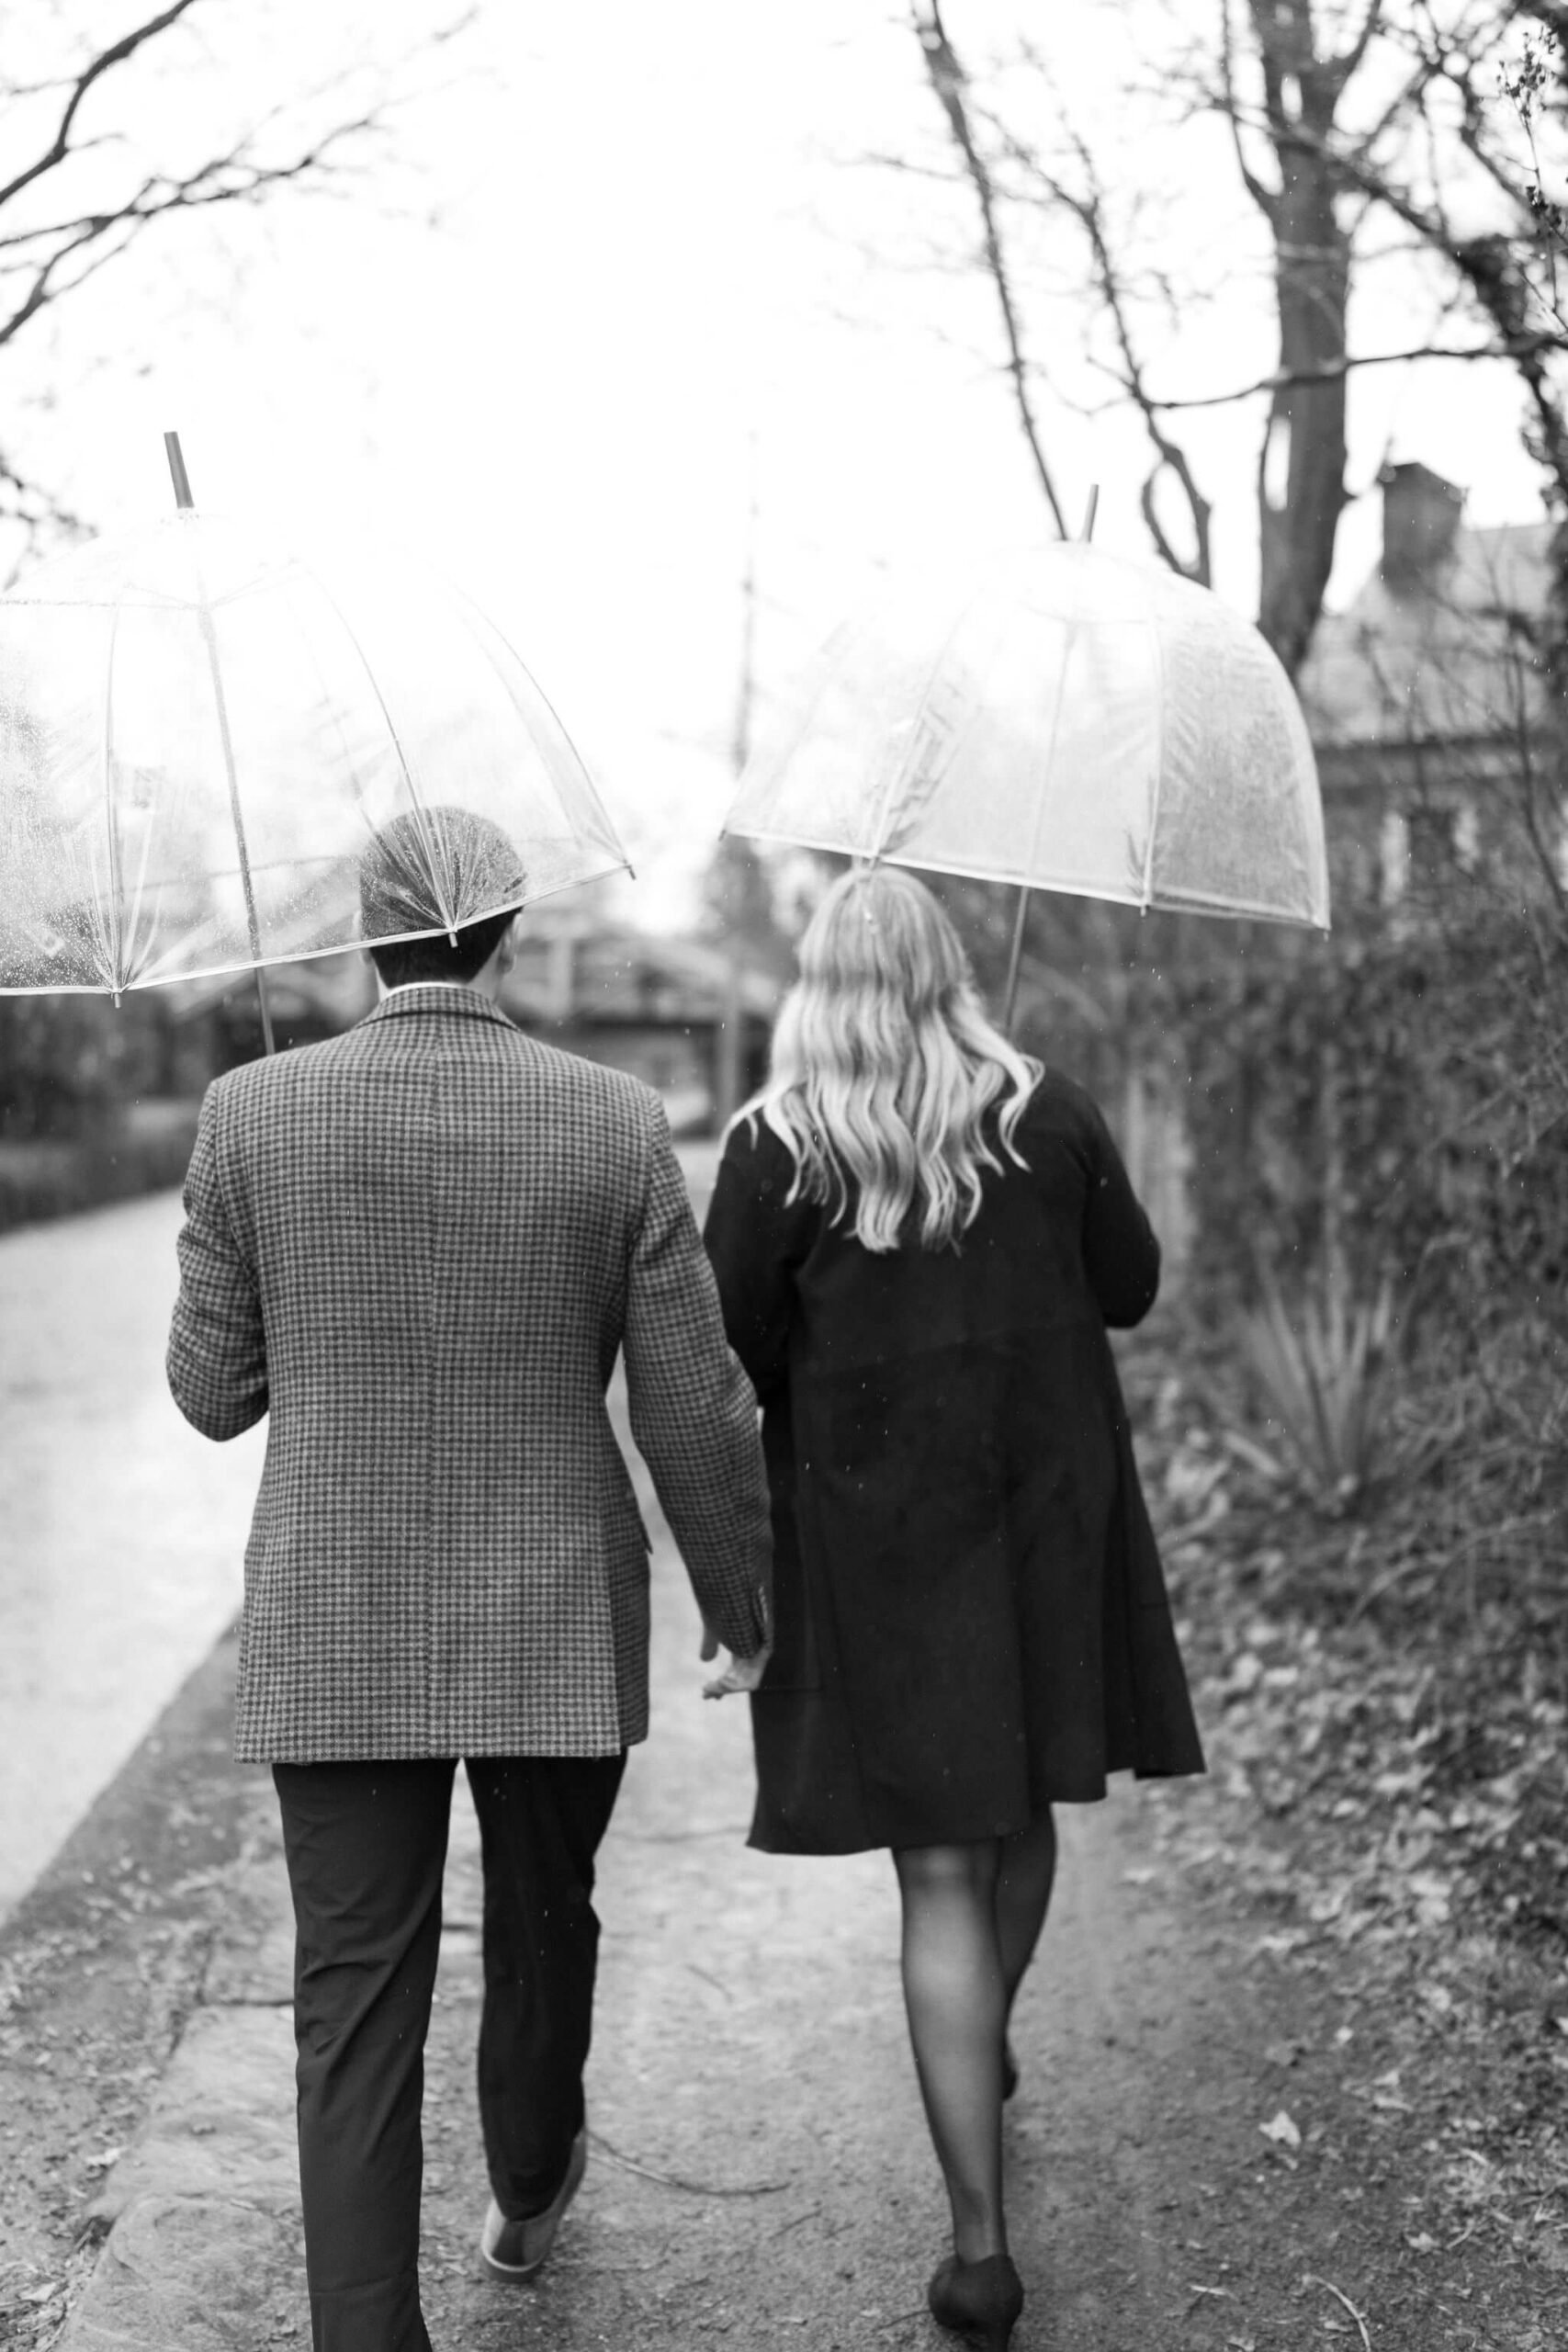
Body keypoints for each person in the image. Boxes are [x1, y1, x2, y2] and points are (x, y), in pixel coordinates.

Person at [167, 806, 772, 2352]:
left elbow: (212, 1393)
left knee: (353, 1995)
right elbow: (692, 1401)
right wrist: (740, 1603)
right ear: (506, 933)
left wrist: (229, 1224)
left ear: (364, 940)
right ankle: (526, 2179)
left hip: (338, 1618)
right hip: (555, 1609)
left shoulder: (252, 1113)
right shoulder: (612, 1118)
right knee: (547, 1910)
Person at [701, 865, 1204, 2352]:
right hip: (1044, 1516)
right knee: (1026, 1815)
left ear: (820, 983)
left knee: (938, 1878)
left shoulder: (775, 1148)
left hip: (877, 1540)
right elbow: (1133, 1287)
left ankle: (980, 2252)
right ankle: (984, 2050)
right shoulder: (1044, 1111)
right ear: (948, 970)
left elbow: (736, 1354)